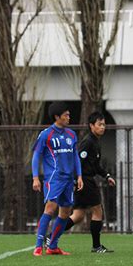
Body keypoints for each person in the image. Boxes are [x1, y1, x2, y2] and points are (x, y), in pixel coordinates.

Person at [47, 111, 116, 253]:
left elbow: (96, 165)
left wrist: (107, 175)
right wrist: (76, 179)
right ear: (91, 126)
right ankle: (96, 246)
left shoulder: (96, 142)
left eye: (104, 124)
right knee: (97, 210)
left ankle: (50, 237)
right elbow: (77, 161)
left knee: (78, 215)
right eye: (99, 124)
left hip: (84, 180)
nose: (102, 127)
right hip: (84, 180)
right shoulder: (88, 142)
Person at [32, 101, 83, 256]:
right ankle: (38, 245)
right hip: (53, 178)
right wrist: (35, 177)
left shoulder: (71, 134)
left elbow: (75, 156)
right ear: (57, 117)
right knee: (50, 208)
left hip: (69, 179)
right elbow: (36, 155)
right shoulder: (46, 134)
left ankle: (53, 246)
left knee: (65, 212)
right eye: (66, 115)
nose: (69, 117)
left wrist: (79, 176)